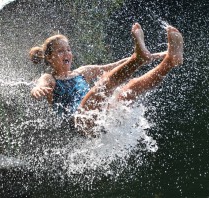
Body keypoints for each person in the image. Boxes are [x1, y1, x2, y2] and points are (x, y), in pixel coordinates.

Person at [29, 23, 183, 136]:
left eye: (68, 50)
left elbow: (115, 65)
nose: (67, 54)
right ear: (49, 57)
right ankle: (139, 58)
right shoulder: (50, 78)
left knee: (131, 88)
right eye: (60, 51)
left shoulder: (82, 71)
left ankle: (169, 61)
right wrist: (37, 89)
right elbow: (41, 84)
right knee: (104, 85)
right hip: (80, 123)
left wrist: (158, 55)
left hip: (102, 118)